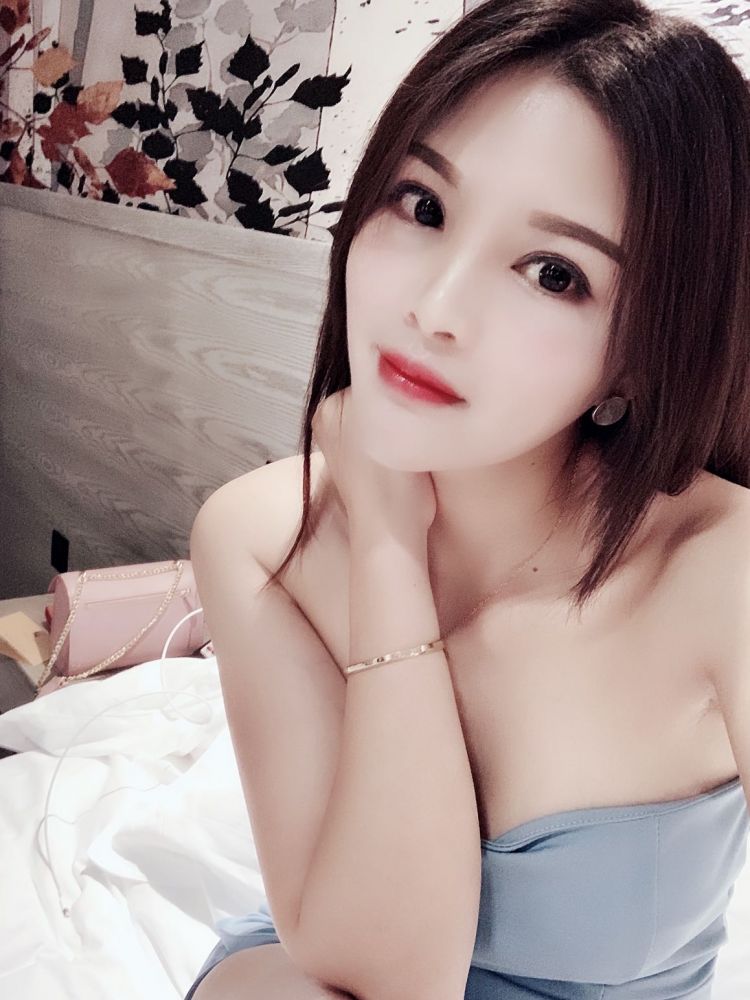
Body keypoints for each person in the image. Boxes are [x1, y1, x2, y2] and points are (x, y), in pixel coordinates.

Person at [185, 0, 750, 997]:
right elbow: (386, 979)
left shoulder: (721, 570)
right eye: (423, 205)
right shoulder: (259, 536)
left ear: (643, 354)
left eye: (554, 273)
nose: (434, 310)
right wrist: (386, 545)